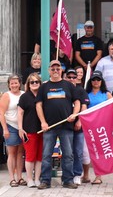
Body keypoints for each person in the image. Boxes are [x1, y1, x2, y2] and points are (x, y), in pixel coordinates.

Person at [35, 60, 80, 189]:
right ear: (49, 70)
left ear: (61, 70)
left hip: (66, 126)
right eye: (53, 69)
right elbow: (38, 105)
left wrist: (74, 114)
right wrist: (43, 122)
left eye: (58, 69)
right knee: (46, 155)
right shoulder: (44, 87)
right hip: (49, 127)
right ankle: (45, 181)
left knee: (68, 155)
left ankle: (67, 180)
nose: (55, 71)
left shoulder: (69, 85)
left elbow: (77, 102)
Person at [82, 70, 113, 185]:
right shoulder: (86, 94)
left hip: (101, 127)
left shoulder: (107, 94)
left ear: (101, 81)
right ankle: (85, 176)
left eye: (98, 79)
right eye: (94, 79)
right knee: (85, 152)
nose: (96, 82)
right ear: (90, 81)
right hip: (88, 127)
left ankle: (98, 176)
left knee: (99, 152)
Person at [65, 69, 90, 186]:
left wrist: (79, 120)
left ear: (77, 78)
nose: (71, 79)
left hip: (78, 127)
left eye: (73, 77)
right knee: (67, 153)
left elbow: (84, 107)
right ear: (65, 77)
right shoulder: (62, 89)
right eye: (69, 77)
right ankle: (67, 175)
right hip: (65, 127)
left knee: (78, 152)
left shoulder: (81, 91)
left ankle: (77, 174)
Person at [0, 74, 26, 187]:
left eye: (16, 83)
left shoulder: (24, 94)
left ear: (20, 83)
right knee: (12, 153)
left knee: (20, 153)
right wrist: (5, 129)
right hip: (10, 126)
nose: (14, 85)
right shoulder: (6, 95)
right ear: (9, 85)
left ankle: (20, 177)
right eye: (12, 83)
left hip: (22, 127)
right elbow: (1, 113)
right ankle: (12, 178)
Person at [17, 73, 42, 188]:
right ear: (28, 84)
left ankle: (37, 179)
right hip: (29, 131)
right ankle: (29, 179)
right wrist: (20, 128)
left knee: (39, 156)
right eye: (32, 82)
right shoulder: (24, 97)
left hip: (42, 131)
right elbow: (20, 113)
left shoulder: (42, 95)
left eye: (37, 81)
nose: (35, 83)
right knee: (30, 156)